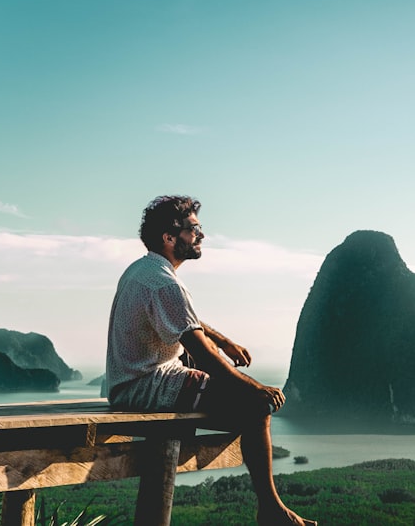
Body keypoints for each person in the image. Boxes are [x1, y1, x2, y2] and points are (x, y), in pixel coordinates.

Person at [102, 195, 315, 526]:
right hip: (145, 387)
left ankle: (270, 506)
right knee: (255, 406)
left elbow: (186, 322)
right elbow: (201, 352)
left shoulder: (145, 270)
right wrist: (255, 388)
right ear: (169, 237)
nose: (201, 235)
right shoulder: (163, 283)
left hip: (127, 382)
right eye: (194, 228)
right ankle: (271, 509)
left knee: (226, 387)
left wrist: (225, 342)